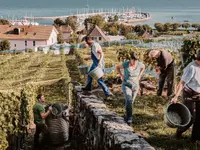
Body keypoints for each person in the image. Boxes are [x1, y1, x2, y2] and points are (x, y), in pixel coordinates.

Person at [171, 50, 200, 142]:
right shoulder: (191, 67)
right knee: (190, 117)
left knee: (199, 117)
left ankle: (195, 138)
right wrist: (176, 96)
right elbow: (182, 83)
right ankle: (179, 131)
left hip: (199, 94)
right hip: (189, 94)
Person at [116, 52, 145, 125]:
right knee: (129, 99)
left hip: (135, 86)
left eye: (136, 60)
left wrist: (139, 75)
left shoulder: (139, 64)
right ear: (130, 59)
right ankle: (129, 118)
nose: (135, 62)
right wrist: (121, 75)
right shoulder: (126, 64)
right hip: (126, 85)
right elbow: (117, 67)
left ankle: (126, 115)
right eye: (133, 60)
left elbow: (143, 67)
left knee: (130, 102)